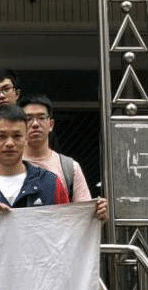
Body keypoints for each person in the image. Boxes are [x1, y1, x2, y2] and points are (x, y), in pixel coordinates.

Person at [20, 93, 109, 222]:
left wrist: (98, 214)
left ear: (51, 124)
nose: (35, 124)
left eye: (41, 117)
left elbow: (84, 216)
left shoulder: (70, 168)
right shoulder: (7, 166)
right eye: (28, 118)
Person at [0, 105, 69, 213]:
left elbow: (67, 222)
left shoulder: (50, 184)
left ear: (26, 138)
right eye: (2, 136)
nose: (9, 143)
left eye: (17, 136)